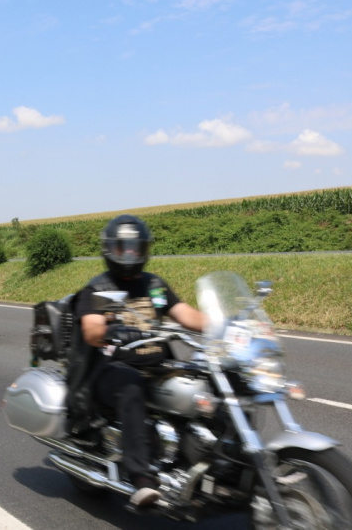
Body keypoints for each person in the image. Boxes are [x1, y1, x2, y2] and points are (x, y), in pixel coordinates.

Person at [68, 214, 204, 508]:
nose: (129, 254)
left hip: (158, 368)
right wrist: (112, 330)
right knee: (131, 389)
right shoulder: (99, 288)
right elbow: (91, 329)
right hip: (113, 370)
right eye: (122, 248)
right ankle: (141, 478)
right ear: (110, 250)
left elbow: (187, 315)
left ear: (144, 249)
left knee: (203, 384)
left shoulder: (154, 285)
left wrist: (227, 323)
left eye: (135, 248)